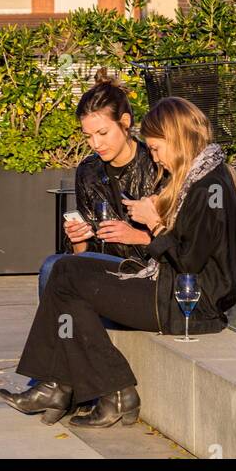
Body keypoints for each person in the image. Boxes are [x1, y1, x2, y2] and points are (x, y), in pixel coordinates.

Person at [0, 97, 236, 429]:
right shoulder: (198, 178)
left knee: (66, 278)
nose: (155, 157)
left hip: (187, 304)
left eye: (157, 149)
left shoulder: (210, 185)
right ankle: (67, 386)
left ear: (178, 139)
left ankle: (97, 388)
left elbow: (189, 262)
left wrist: (152, 225)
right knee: (63, 269)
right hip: (168, 288)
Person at [37, 72, 159, 300]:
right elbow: (83, 254)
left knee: (56, 268)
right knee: (53, 266)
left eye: (103, 133)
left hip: (147, 270)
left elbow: (183, 243)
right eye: (88, 136)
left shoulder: (156, 164)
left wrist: (138, 236)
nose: (96, 144)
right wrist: (79, 239)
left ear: (125, 122)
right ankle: (58, 334)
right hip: (103, 268)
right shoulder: (88, 170)